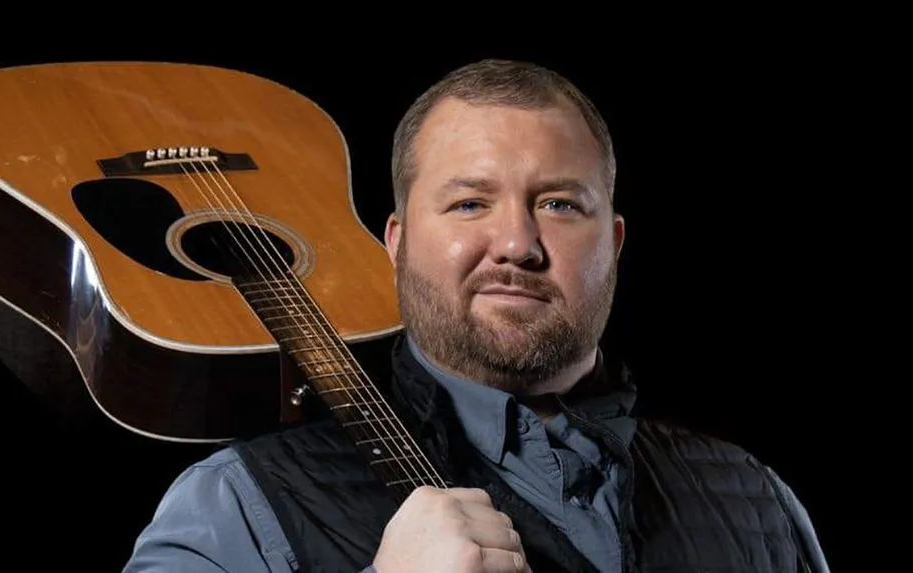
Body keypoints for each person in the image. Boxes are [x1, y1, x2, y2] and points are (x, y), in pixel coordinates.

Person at [121, 58, 829, 573]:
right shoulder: (242, 503)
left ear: (612, 243)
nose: (517, 244)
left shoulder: (756, 503)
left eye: (558, 203)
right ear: (395, 245)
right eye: (469, 203)